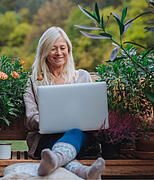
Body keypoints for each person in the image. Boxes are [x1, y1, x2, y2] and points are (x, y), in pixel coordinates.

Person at [23, 26, 105, 179]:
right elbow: (30, 118)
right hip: (45, 138)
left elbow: (93, 111)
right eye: (53, 49)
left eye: (63, 48)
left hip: (79, 137)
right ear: (44, 52)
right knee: (54, 145)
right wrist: (48, 122)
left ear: (69, 50)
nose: (59, 53)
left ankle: (54, 160)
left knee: (73, 133)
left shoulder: (82, 76)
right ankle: (85, 172)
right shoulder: (33, 81)